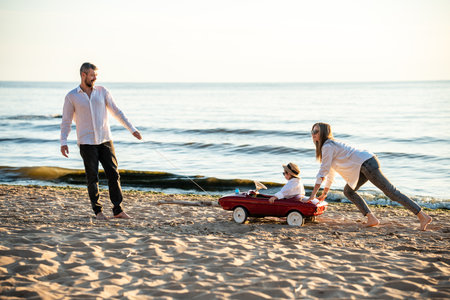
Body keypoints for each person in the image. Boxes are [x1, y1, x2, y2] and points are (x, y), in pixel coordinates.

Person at [306, 122, 432, 230]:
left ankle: (423, 216)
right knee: (348, 191)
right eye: (312, 130)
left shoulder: (328, 146)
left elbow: (323, 172)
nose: (313, 133)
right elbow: (330, 172)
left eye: (316, 131)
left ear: (323, 133)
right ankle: (371, 219)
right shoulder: (329, 147)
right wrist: (325, 193)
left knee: (391, 192)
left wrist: (312, 195)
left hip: (366, 164)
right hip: (363, 165)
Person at [60, 62, 142, 220]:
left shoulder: (103, 92)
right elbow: (66, 121)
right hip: (86, 143)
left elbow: (117, 112)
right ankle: (98, 212)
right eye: (92, 75)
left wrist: (132, 129)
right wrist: (63, 141)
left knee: (113, 174)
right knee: (92, 178)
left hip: (105, 140)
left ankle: (118, 209)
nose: (95, 78)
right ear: (83, 75)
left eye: (96, 75)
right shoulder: (71, 96)